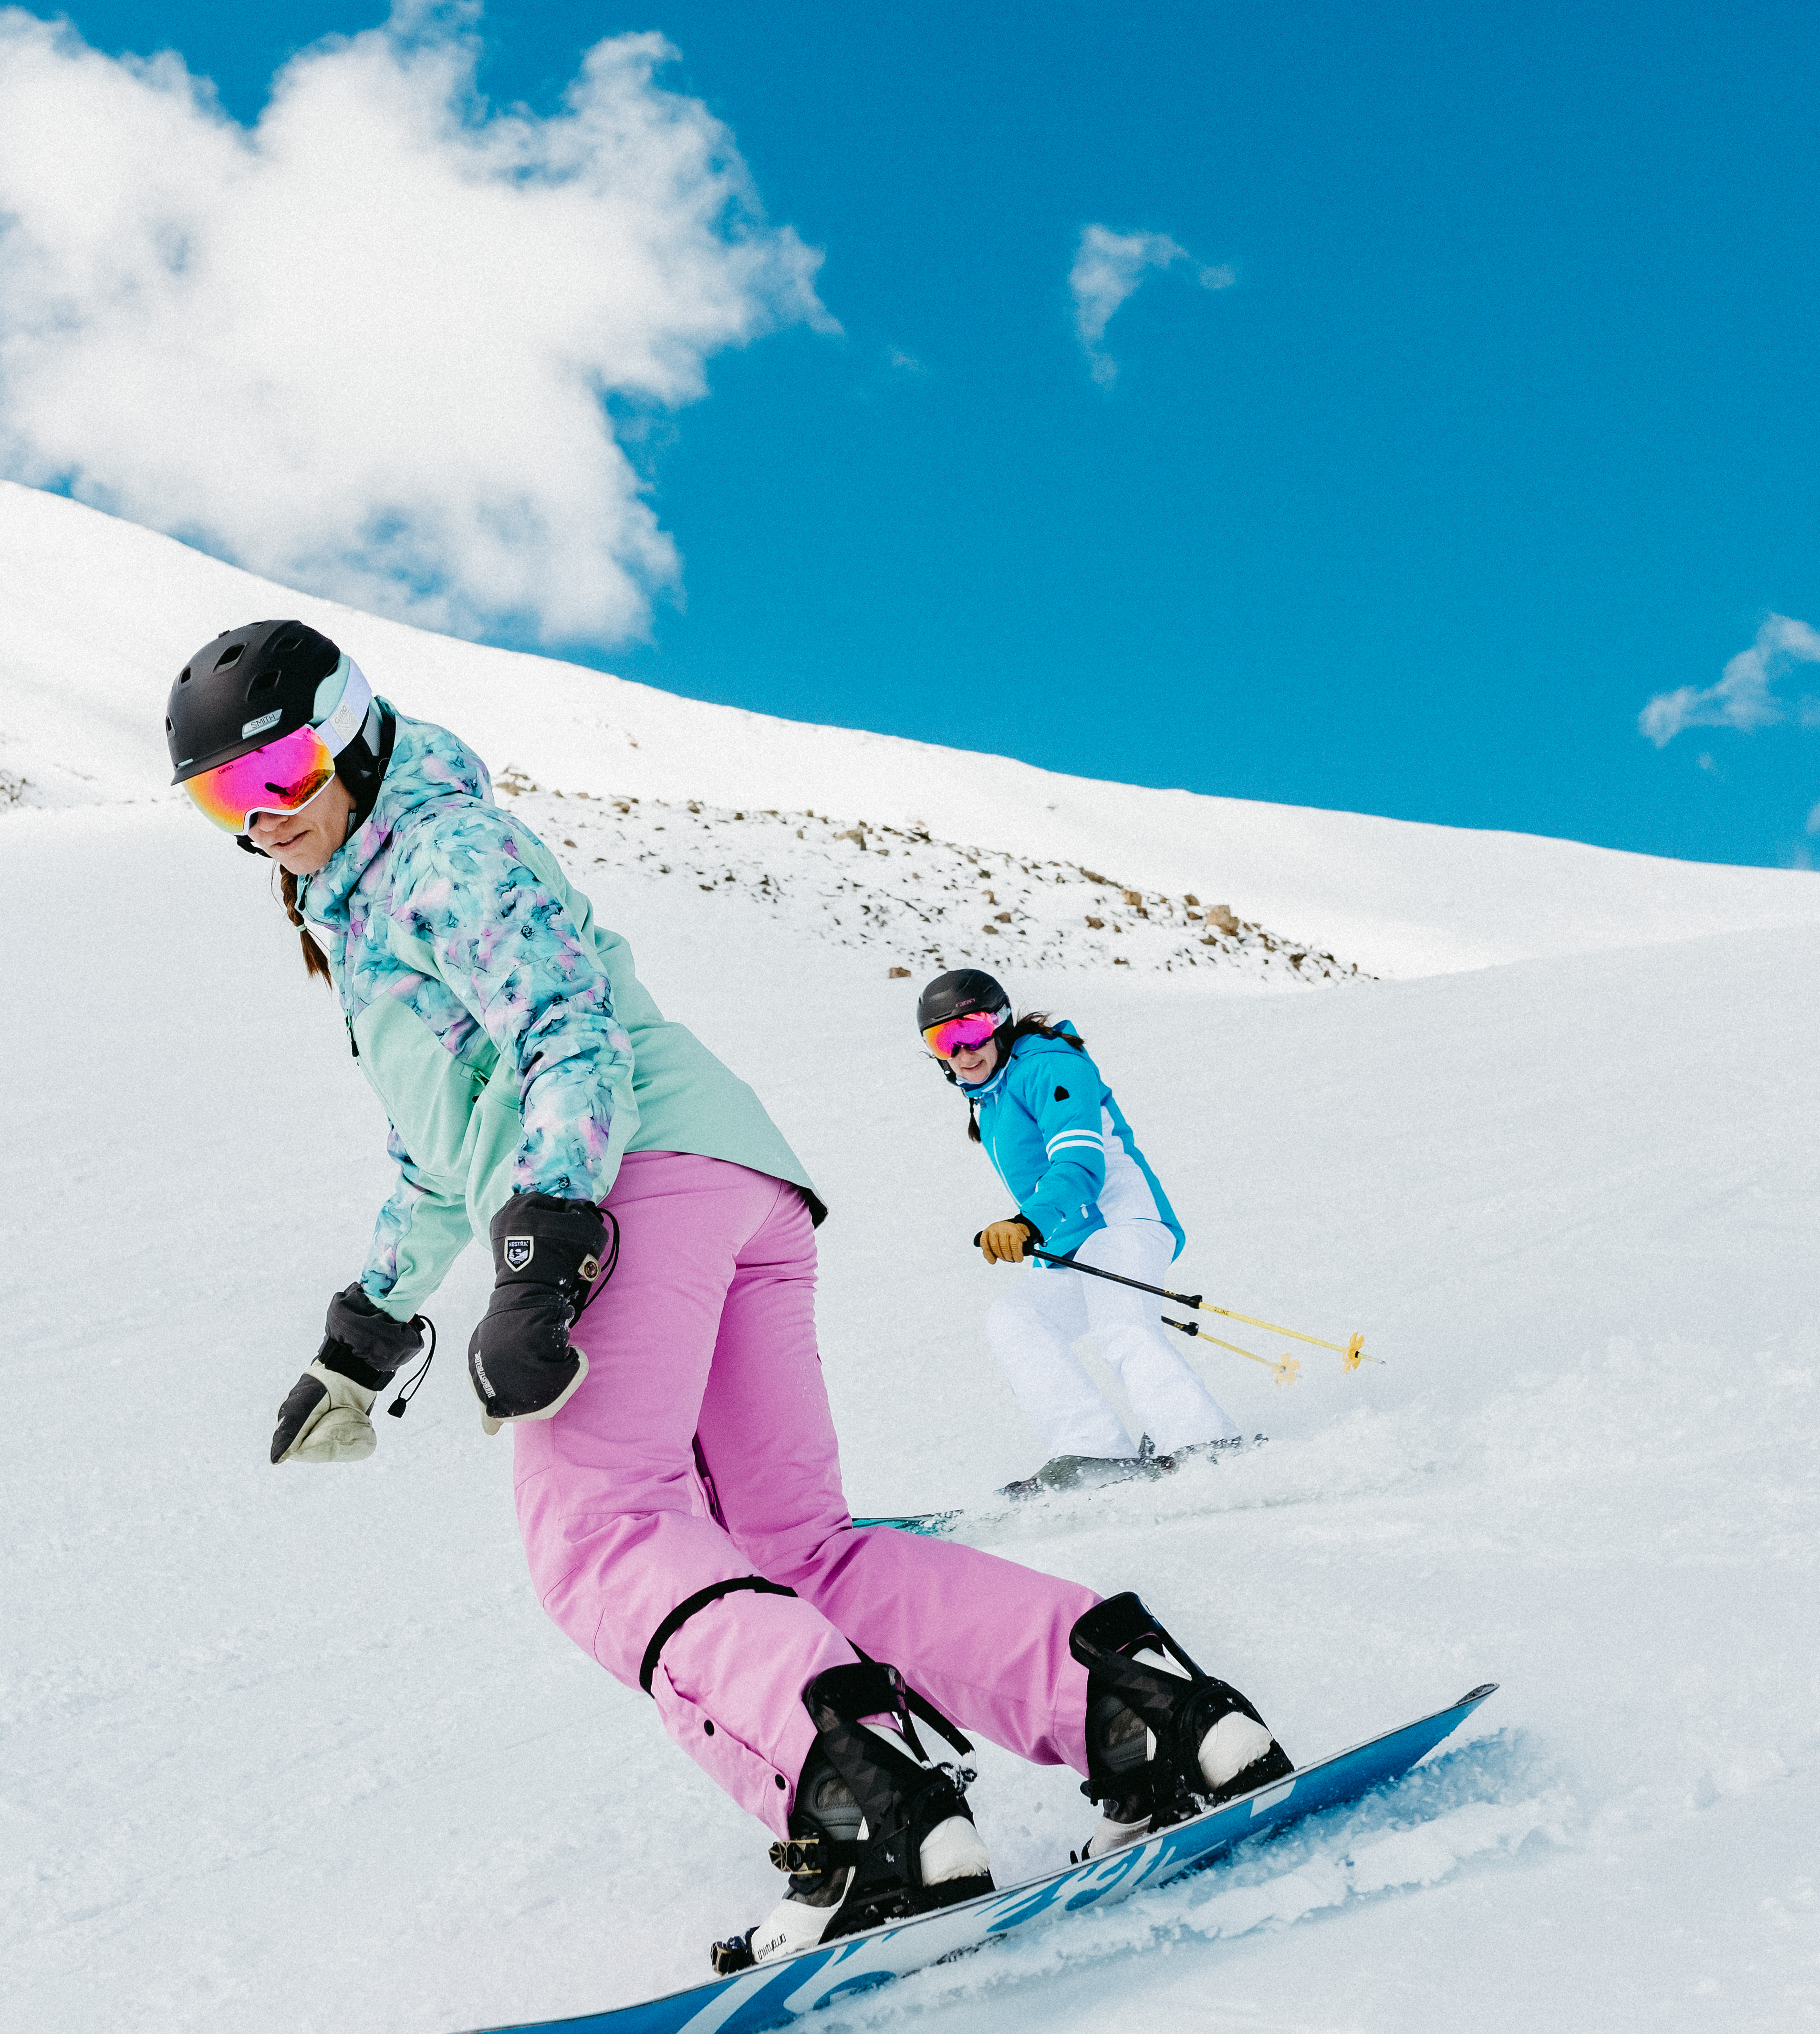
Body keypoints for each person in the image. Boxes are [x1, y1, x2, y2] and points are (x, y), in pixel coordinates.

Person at [163, 621, 1294, 1966]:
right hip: (726, 1185)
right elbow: (436, 1150)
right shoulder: (368, 895)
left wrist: (548, 1243)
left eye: (280, 772)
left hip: (630, 1176)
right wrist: (367, 1330)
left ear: (351, 731)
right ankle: (1144, 1713)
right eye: (223, 799)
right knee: (792, 1544)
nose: (262, 817)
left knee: (600, 1533)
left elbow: (567, 1037)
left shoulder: (439, 852)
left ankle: (865, 1808)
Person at [917, 969, 1248, 1497]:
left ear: (999, 1023)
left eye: (972, 1029)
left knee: (1122, 1324)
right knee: (1017, 1318)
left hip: (1124, 1223)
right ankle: (1093, 1450)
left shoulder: (1049, 1065)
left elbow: (1078, 1163)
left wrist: (1027, 1224)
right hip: (1073, 1247)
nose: (962, 1051)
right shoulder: (992, 1095)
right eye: (943, 1041)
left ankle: (1207, 1446)